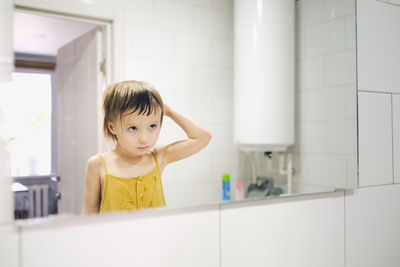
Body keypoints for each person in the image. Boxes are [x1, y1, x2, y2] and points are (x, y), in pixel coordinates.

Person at [82, 80, 211, 214]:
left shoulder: (159, 157)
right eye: (133, 128)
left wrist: (170, 112)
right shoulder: (98, 165)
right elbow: (89, 213)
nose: (144, 139)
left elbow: (203, 137)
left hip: (156, 235)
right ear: (112, 127)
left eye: (152, 126)